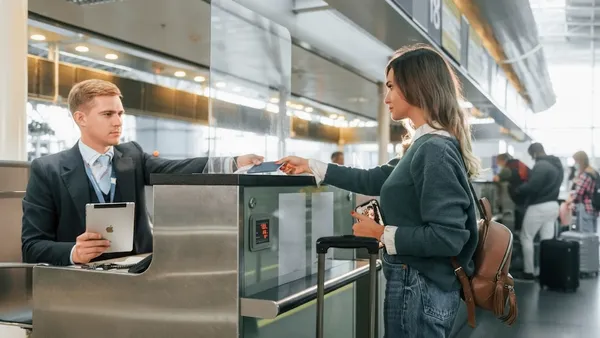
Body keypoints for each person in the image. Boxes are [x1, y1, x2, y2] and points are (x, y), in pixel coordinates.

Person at [278, 44, 479, 337]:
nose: (386, 98)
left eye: (391, 87)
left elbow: (448, 237)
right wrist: (311, 165)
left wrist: (380, 234)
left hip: (420, 287)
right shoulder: (425, 145)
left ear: (416, 86)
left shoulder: (434, 149)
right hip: (416, 284)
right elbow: (374, 179)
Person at [22, 79, 263, 266]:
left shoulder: (133, 156)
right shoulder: (48, 170)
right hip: (79, 284)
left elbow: (176, 170)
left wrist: (235, 162)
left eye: (120, 113)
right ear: (80, 118)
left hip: (138, 276)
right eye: (108, 114)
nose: (118, 122)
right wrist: (74, 252)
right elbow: (32, 246)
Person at [515, 142, 563, 280]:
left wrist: (518, 190)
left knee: (526, 237)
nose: (531, 157)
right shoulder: (556, 165)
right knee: (546, 241)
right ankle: (546, 272)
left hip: (539, 206)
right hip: (553, 205)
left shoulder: (541, 166)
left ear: (535, 152)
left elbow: (533, 186)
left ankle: (528, 272)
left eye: (531, 155)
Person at [493, 153, 530, 232]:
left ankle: (518, 232)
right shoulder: (516, 164)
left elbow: (496, 178)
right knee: (520, 213)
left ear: (502, 160)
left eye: (498, 161)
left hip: (519, 194)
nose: (497, 163)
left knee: (520, 213)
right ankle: (519, 231)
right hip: (524, 194)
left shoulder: (508, 168)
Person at [566, 151, 598, 233]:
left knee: (585, 234)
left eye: (575, 161)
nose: (575, 164)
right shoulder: (594, 172)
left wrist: (571, 195)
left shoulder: (585, 174)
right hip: (594, 208)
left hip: (585, 208)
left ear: (580, 161)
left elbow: (579, 193)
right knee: (592, 235)